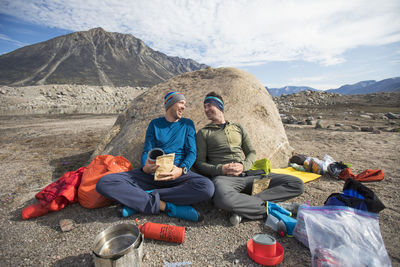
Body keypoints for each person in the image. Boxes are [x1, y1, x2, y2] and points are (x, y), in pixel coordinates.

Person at [97, 92, 215, 222]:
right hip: (151, 175)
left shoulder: (187, 124)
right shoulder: (155, 124)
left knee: (207, 187)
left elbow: (192, 152)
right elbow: (147, 151)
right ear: (170, 103)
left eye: (185, 104)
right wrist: (145, 167)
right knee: (104, 182)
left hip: (177, 176)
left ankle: (139, 201)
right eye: (181, 103)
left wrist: (181, 170)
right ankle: (167, 207)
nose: (183, 107)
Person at [195, 92, 304, 225]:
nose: (206, 110)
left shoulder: (238, 127)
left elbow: (251, 152)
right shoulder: (203, 133)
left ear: (219, 106)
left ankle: (244, 207)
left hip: (249, 176)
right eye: (204, 107)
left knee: (297, 184)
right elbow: (200, 163)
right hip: (225, 180)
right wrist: (221, 169)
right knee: (222, 199)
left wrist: (243, 165)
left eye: (209, 105)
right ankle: (276, 207)